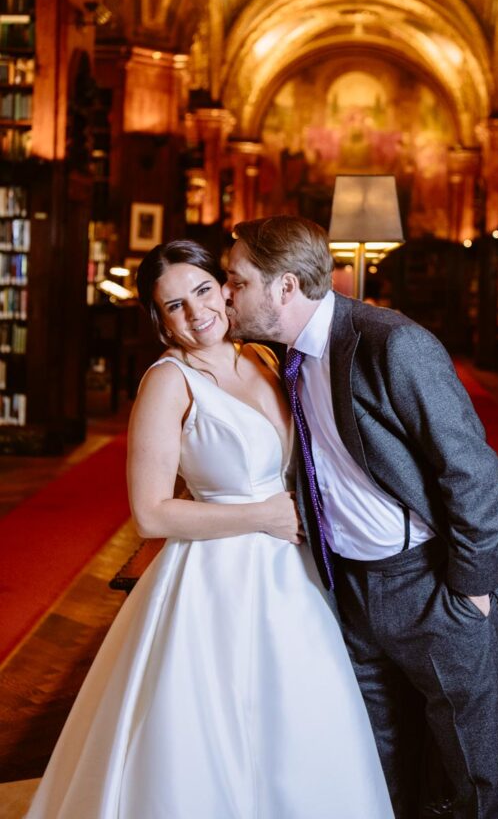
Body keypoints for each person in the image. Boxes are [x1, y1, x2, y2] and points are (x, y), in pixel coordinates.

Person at [225, 215, 498, 819]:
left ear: (285, 287)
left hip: (431, 584)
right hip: (353, 589)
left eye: (235, 281)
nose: (225, 291)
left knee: (479, 774)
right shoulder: (282, 357)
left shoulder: (393, 342)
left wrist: (468, 590)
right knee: (375, 760)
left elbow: (470, 468)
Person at [27, 240, 393, 819]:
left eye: (201, 290)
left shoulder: (265, 358)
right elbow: (150, 513)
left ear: (224, 287)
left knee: (297, 718)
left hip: (292, 575)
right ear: (160, 319)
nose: (196, 313)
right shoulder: (168, 382)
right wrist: (263, 515)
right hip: (214, 578)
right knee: (208, 726)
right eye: (174, 306)